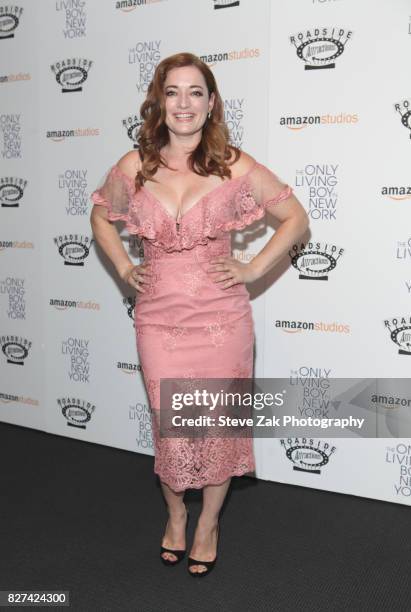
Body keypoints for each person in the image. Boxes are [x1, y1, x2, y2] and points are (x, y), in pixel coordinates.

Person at [90, 52, 309, 577]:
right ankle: (173, 514)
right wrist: (123, 266)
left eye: (195, 92)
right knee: (172, 428)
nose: (183, 103)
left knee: (218, 429)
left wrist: (254, 267)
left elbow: (295, 218)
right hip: (159, 321)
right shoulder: (134, 167)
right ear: (158, 102)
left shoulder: (234, 165)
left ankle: (208, 522)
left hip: (222, 322)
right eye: (173, 92)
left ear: (211, 104)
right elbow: (100, 218)